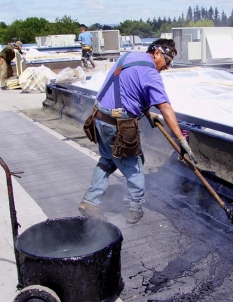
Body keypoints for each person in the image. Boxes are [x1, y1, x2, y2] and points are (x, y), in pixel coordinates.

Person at [78, 38, 197, 224]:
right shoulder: (151, 74)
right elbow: (165, 107)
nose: (167, 67)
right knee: (135, 166)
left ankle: (90, 201)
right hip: (118, 125)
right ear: (157, 52)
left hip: (99, 118)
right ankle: (134, 207)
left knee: (108, 160)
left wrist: (147, 113)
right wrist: (181, 139)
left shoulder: (128, 56)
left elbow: (126, 88)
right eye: (168, 62)